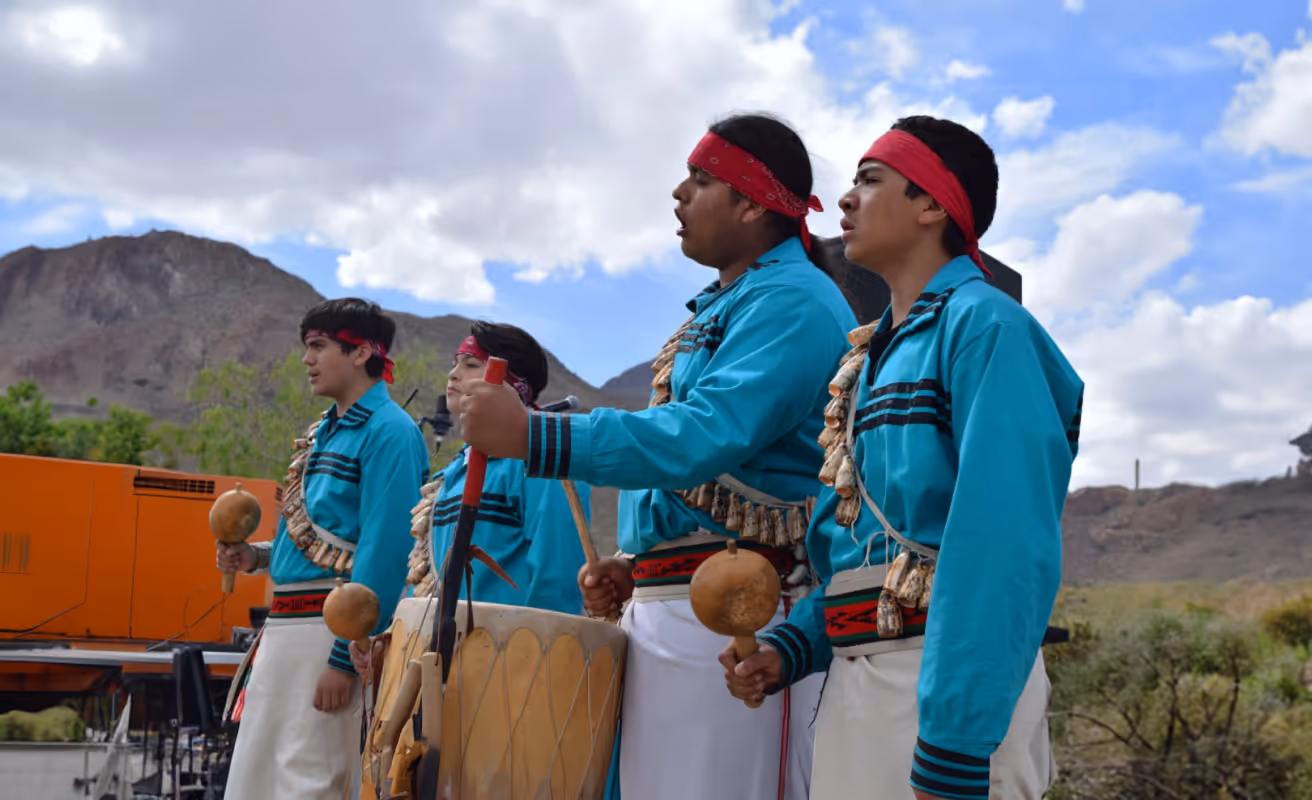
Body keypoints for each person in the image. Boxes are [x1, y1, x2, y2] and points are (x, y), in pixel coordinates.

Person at [456, 113, 857, 800]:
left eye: (701, 181)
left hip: (742, 618)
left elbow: (701, 436)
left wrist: (534, 436)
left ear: (753, 202)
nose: (678, 193)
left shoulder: (793, 300)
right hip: (674, 617)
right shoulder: (728, 304)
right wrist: (640, 570)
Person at [722, 115, 1085, 799]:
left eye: (869, 179)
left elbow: (1001, 544)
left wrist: (954, 739)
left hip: (947, 698)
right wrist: (790, 648)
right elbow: (856, 559)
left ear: (931, 204)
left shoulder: (988, 327)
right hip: (856, 689)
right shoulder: (860, 366)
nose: (846, 200)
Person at [216, 298, 429, 800]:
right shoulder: (322, 431)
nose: (307, 359)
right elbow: (313, 534)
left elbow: (385, 549)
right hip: (284, 629)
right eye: (306, 347)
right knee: (258, 776)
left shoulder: (391, 433)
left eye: (318, 346)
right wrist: (258, 557)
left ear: (360, 354)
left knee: (309, 777)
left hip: (327, 633)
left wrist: (341, 655)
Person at [386, 321, 591, 615]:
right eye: (455, 364)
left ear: (511, 383)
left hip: (508, 649)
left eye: (471, 365)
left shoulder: (541, 464)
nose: (453, 374)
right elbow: (426, 575)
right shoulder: (452, 474)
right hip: (439, 646)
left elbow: (556, 575)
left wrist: (536, 650)